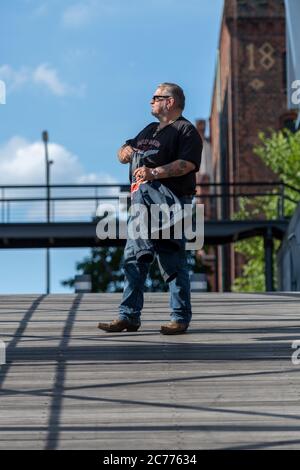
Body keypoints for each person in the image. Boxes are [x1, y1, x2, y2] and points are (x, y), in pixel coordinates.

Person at [97, 82, 203, 335]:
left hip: (171, 202)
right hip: (143, 204)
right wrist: (124, 152)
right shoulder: (150, 130)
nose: (151, 101)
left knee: (172, 261)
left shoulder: (185, 130)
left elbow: (187, 164)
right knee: (132, 260)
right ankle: (128, 317)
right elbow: (124, 149)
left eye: (156, 97)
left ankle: (179, 317)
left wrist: (153, 172)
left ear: (170, 102)